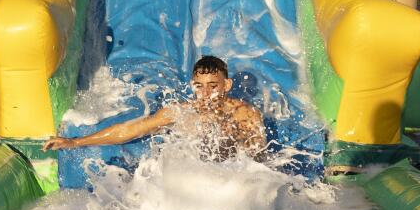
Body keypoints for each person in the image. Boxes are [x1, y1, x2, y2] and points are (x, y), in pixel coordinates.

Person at [45, 55, 267, 160]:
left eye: (212, 86)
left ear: (226, 85)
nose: (205, 94)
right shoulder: (180, 112)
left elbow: (257, 161)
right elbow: (127, 131)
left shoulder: (245, 115)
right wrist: (75, 142)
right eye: (199, 86)